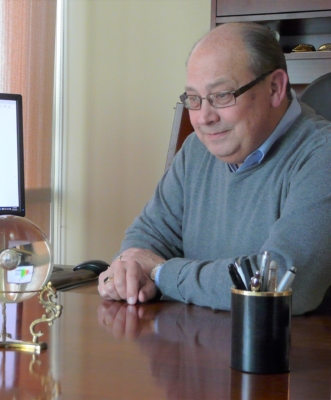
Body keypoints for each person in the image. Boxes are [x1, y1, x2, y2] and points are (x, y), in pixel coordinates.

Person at [98, 22, 331, 315]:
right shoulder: (197, 149)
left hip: (282, 354)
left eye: (221, 95)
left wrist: (161, 274)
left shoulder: (322, 155)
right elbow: (148, 239)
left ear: (274, 88)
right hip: (193, 347)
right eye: (194, 99)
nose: (203, 118)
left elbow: (279, 283)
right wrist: (127, 272)